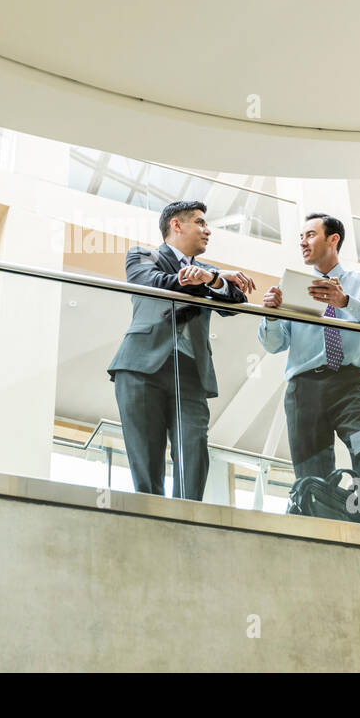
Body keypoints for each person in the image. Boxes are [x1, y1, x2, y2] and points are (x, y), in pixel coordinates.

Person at [259, 213, 360, 527]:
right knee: (312, 469)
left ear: (332, 239)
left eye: (309, 235)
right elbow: (274, 344)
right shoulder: (294, 288)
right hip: (304, 388)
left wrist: (346, 301)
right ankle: (322, 530)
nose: (302, 243)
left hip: (351, 383)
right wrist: (269, 315)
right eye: (300, 237)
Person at [108, 200, 255, 500]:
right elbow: (154, 282)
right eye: (200, 223)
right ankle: (150, 526)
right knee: (145, 461)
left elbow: (237, 302)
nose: (208, 231)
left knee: (193, 452)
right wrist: (202, 279)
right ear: (176, 225)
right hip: (140, 368)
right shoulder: (142, 255)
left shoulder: (209, 272)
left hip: (191, 372)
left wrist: (212, 277)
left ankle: (188, 523)